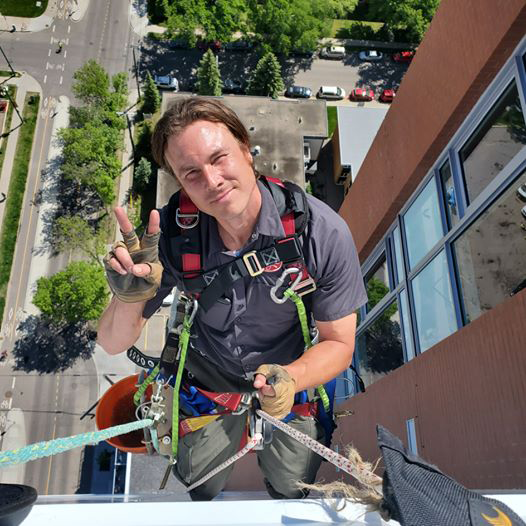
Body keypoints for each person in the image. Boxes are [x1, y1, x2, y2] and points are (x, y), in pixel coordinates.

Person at [97, 97, 367, 501]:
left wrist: (292, 380)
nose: (212, 180)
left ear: (245, 149)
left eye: (219, 158)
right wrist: (129, 297)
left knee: (293, 484)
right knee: (201, 481)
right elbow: (113, 342)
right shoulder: (175, 235)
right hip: (207, 380)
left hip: (289, 375)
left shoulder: (319, 235)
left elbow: (339, 344)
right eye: (191, 173)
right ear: (180, 182)